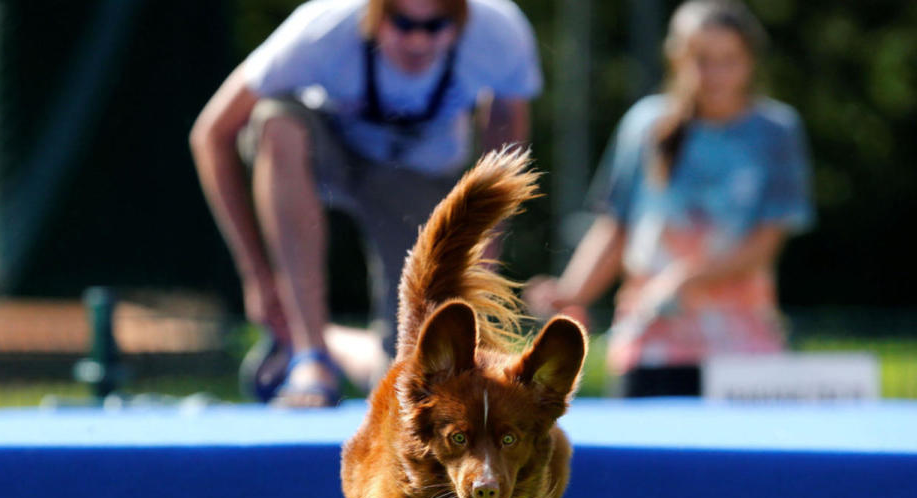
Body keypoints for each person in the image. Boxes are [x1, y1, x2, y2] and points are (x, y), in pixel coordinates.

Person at [190, 0, 541, 406]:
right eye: (402, 22)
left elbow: (506, 124)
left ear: (462, 18)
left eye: (436, 26)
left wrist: (486, 243)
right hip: (330, 156)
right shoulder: (323, 29)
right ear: (374, 12)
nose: (417, 39)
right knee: (276, 121)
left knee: (415, 379)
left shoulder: (499, 30)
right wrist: (258, 276)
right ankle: (309, 353)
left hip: (419, 177)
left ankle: (328, 339)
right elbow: (211, 135)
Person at [525, 0, 814, 397]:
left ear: (749, 61)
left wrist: (685, 279)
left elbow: (766, 242)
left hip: (743, 345)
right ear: (677, 58)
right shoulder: (645, 124)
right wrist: (571, 293)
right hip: (650, 344)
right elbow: (617, 228)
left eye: (728, 60)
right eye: (701, 59)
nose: (713, 74)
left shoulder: (776, 132)